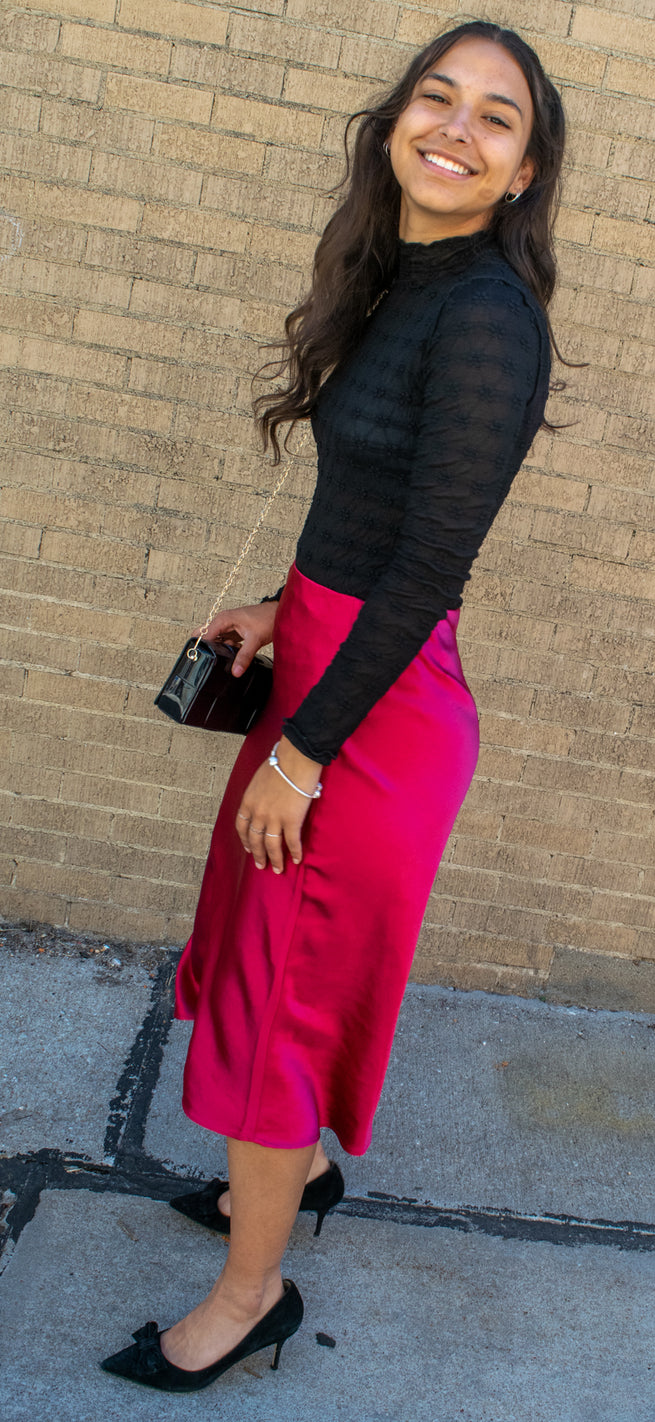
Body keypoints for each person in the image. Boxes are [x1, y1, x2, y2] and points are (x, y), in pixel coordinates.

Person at [100, 19, 566, 1392]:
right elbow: (368, 506)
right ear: (395, 121)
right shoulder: (405, 279)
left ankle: (252, 1295)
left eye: (495, 117)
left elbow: (429, 568)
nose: (456, 128)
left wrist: (303, 752)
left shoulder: (486, 320)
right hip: (323, 661)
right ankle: (290, 1173)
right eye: (438, 97)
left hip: (370, 720)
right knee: (267, 968)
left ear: (524, 172)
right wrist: (276, 606)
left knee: (281, 1004)